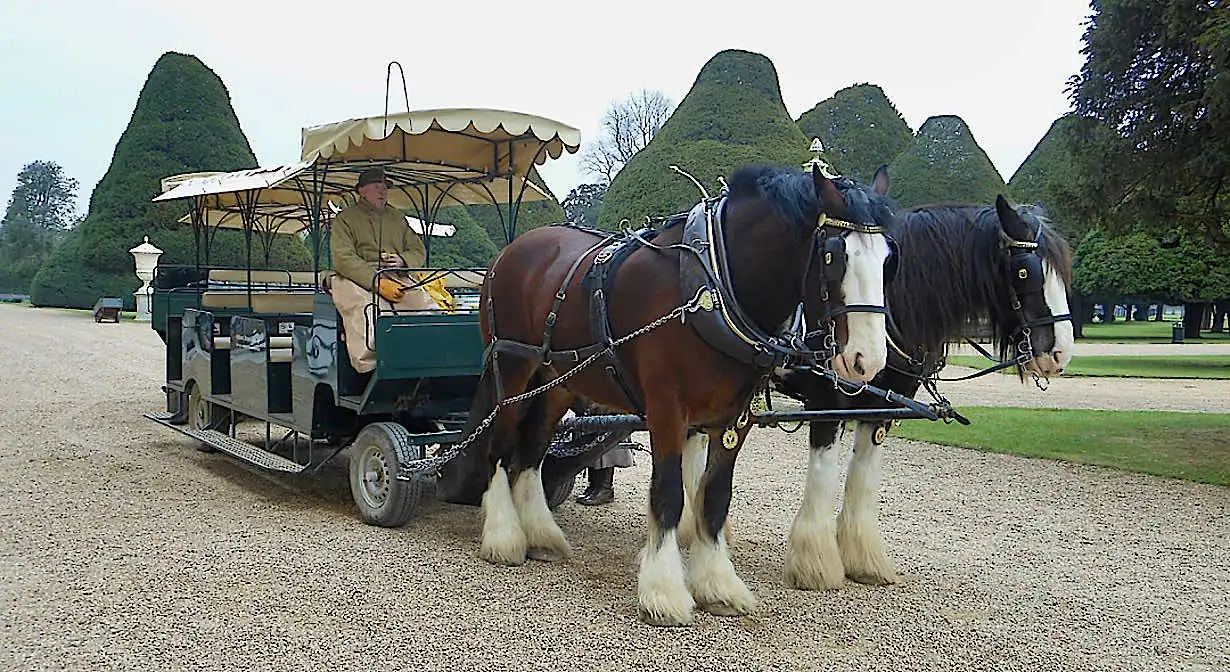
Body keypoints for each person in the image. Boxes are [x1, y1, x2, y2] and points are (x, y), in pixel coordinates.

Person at [328, 167, 437, 373]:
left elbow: (417, 250)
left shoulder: (397, 217)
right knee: (368, 311)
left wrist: (402, 260)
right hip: (354, 277)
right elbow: (343, 258)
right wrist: (375, 281)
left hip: (395, 276)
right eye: (377, 187)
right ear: (361, 190)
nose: (382, 191)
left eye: (385, 187)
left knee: (425, 306)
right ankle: (372, 369)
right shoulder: (346, 218)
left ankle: (430, 356)